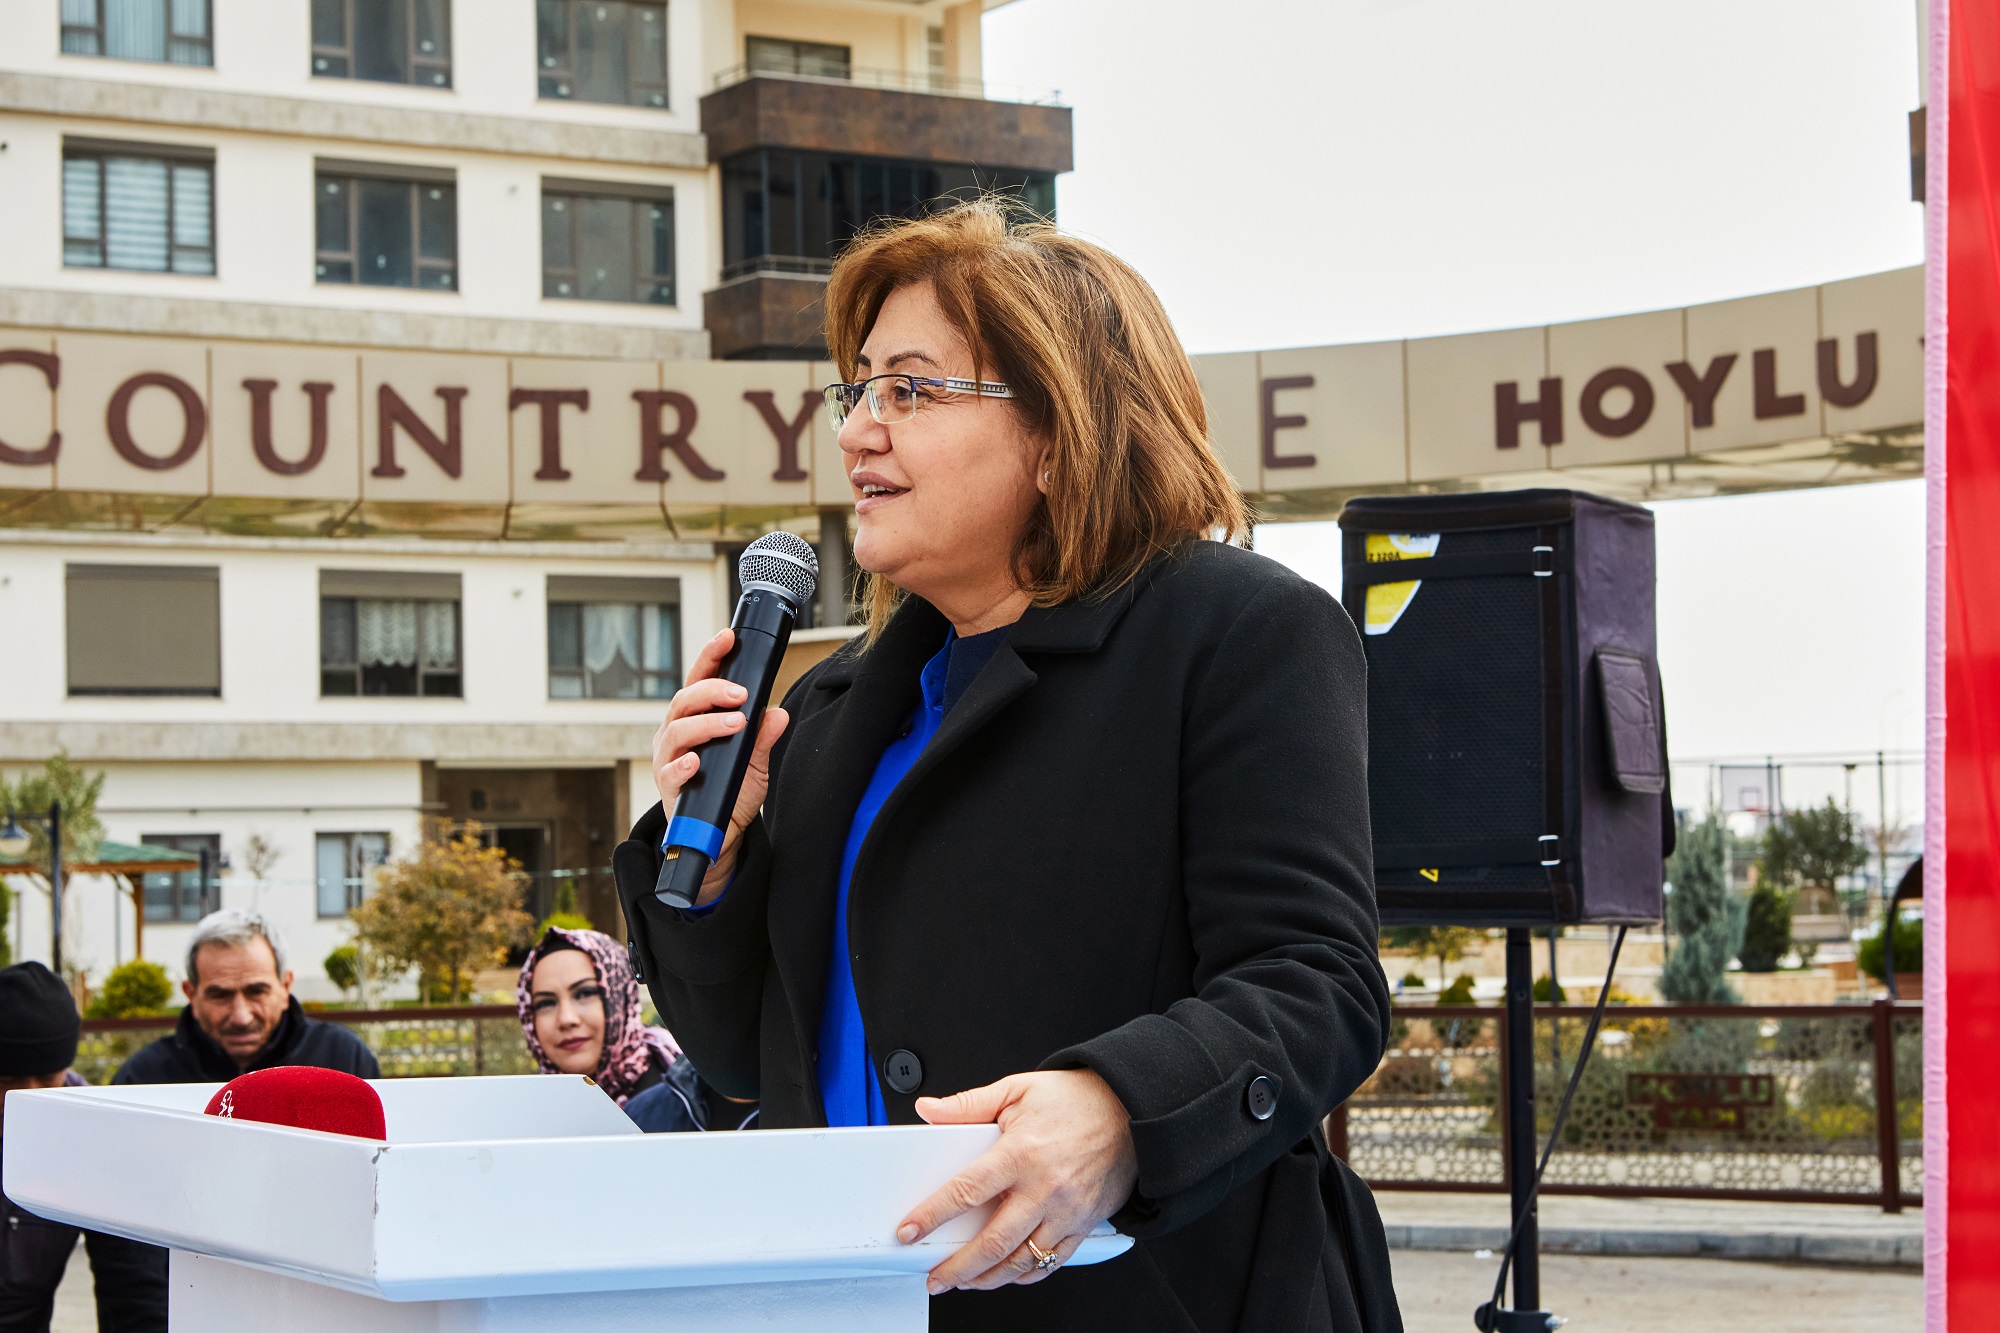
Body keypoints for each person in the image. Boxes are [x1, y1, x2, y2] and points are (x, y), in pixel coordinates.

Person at [616, 198, 1399, 1330]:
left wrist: (1119, 1111)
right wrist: (718, 868)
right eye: (856, 391)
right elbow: (745, 1062)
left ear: (1058, 429)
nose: (856, 432)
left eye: (910, 391)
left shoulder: (1236, 633)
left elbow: (1317, 982)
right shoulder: (827, 709)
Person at [0, 961, 165, 1332]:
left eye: (47, 1079)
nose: (29, 1097)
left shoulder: (97, 1136)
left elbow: (134, 1285)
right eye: (6, 1080)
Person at [516, 926, 756, 1132]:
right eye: (545, 1003)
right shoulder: (525, 1118)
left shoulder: (684, 1099)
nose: (566, 1019)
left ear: (621, 997)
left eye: (585, 993)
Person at [113, 910, 379, 1085]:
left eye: (257, 992)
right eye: (220, 995)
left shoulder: (342, 1059)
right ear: (191, 995)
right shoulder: (144, 1078)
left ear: (285, 987)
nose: (241, 1017)